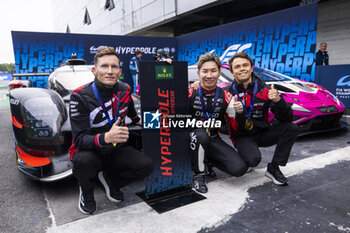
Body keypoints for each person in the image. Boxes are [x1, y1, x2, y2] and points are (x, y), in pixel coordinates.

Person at [69, 47, 153, 215]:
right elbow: (79, 140)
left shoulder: (125, 89)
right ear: (94, 70)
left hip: (116, 149)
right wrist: (105, 137)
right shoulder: (79, 96)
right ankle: (86, 192)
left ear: (120, 71)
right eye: (104, 66)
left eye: (114, 67)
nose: (110, 71)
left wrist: (137, 120)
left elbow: (129, 109)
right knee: (83, 162)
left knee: (146, 165)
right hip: (90, 151)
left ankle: (111, 180)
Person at [226, 52, 298, 186]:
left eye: (245, 65)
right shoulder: (227, 93)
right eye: (237, 67)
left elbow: (287, 118)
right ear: (232, 72)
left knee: (291, 128)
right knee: (253, 160)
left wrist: (278, 101)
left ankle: (274, 167)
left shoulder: (265, 89)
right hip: (242, 136)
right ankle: (246, 157)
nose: (242, 69)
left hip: (263, 132)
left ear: (251, 68)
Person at [188, 53, 247, 193]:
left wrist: (240, 113)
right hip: (188, 137)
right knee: (200, 135)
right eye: (205, 71)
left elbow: (236, 127)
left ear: (219, 72)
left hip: (213, 138)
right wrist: (166, 65)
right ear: (198, 73)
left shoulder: (227, 96)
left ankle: (207, 160)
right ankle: (198, 175)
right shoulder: (189, 91)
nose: (209, 75)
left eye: (213, 71)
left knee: (239, 169)